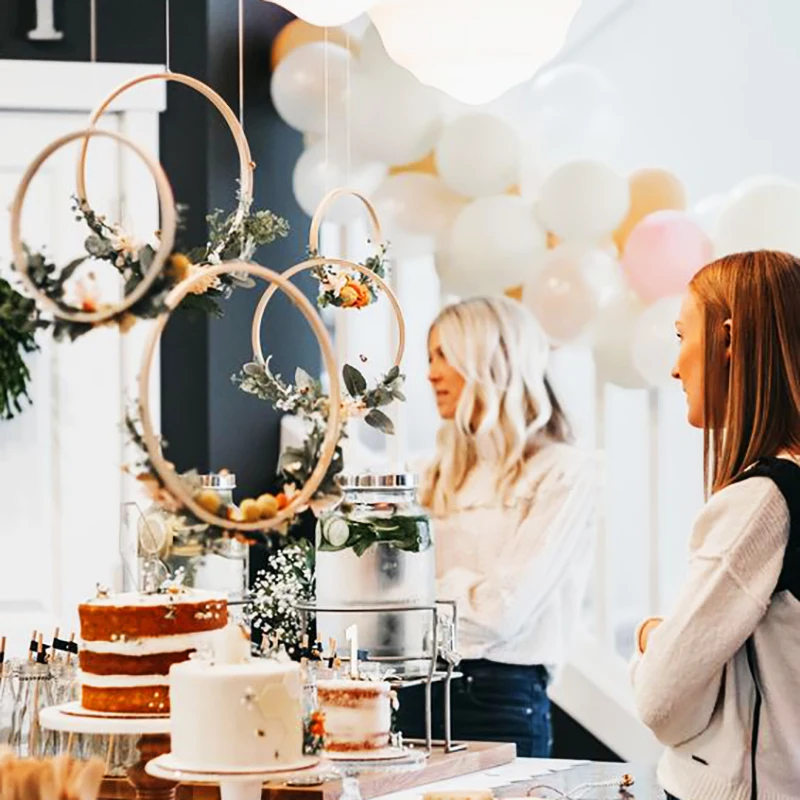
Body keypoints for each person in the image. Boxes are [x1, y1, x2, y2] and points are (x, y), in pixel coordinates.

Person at [396, 297, 598, 757]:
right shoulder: (427, 473)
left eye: (445, 355)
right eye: (430, 357)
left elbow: (501, 614)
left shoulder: (563, 472)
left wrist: (421, 599)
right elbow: (385, 603)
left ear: (493, 360)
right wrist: (461, 593)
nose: (430, 374)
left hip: (499, 702)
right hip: (410, 695)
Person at [632, 251, 800, 800]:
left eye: (682, 336)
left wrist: (650, 636)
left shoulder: (761, 503)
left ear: (729, 339)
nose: (675, 368)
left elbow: (661, 702)